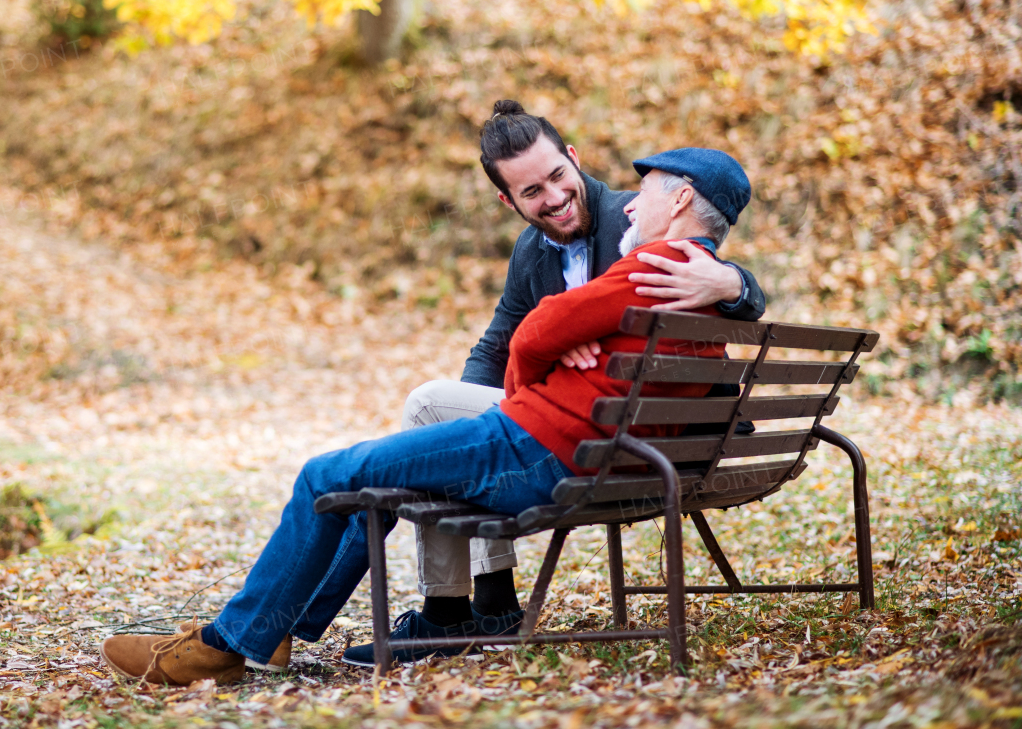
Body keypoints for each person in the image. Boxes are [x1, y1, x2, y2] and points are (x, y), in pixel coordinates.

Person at [97, 142, 754, 686]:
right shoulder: (701, 286)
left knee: (324, 474)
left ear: (682, 200)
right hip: (587, 454)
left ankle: (219, 647)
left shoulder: (653, 266)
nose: (632, 203)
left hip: (530, 448)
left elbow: (532, 333)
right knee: (371, 469)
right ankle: (261, 632)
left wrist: (537, 376)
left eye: (649, 192)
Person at [341, 100, 765, 666]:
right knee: (460, 418)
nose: (554, 197)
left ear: (574, 158)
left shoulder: (636, 218)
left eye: (558, 177)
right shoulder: (531, 251)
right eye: (532, 192)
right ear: (509, 201)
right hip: (595, 423)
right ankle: (487, 608)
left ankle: (457, 611)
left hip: (625, 433)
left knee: (429, 409)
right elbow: (496, 344)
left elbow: (721, 273)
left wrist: (730, 280)